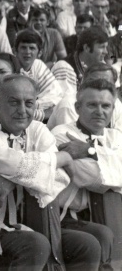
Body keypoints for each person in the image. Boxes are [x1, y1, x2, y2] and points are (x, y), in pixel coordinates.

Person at [0, 74, 102, 270]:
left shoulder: (38, 130)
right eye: (13, 102)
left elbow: (60, 178)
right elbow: (18, 164)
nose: (22, 110)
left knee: (88, 245)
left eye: (29, 103)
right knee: (37, 244)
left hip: (36, 219)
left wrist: (11, 182)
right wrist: (61, 158)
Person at [52, 79, 121, 269]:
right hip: (65, 216)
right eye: (92, 105)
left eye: (106, 105)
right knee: (99, 238)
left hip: (105, 216)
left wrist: (90, 152)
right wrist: (110, 160)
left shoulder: (116, 137)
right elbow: (88, 177)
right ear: (77, 107)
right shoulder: (62, 135)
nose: (100, 111)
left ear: (113, 108)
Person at [14, 30, 63, 122]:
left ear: (39, 53)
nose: (27, 52)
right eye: (23, 48)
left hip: (34, 114)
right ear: (15, 51)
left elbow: (56, 94)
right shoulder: (9, 66)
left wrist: (35, 107)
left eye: (32, 48)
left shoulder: (37, 65)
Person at [52, 28, 109, 97]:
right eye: (102, 47)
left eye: (106, 47)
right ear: (86, 48)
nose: (106, 52)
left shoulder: (101, 67)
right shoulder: (64, 67)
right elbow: (67, 101)